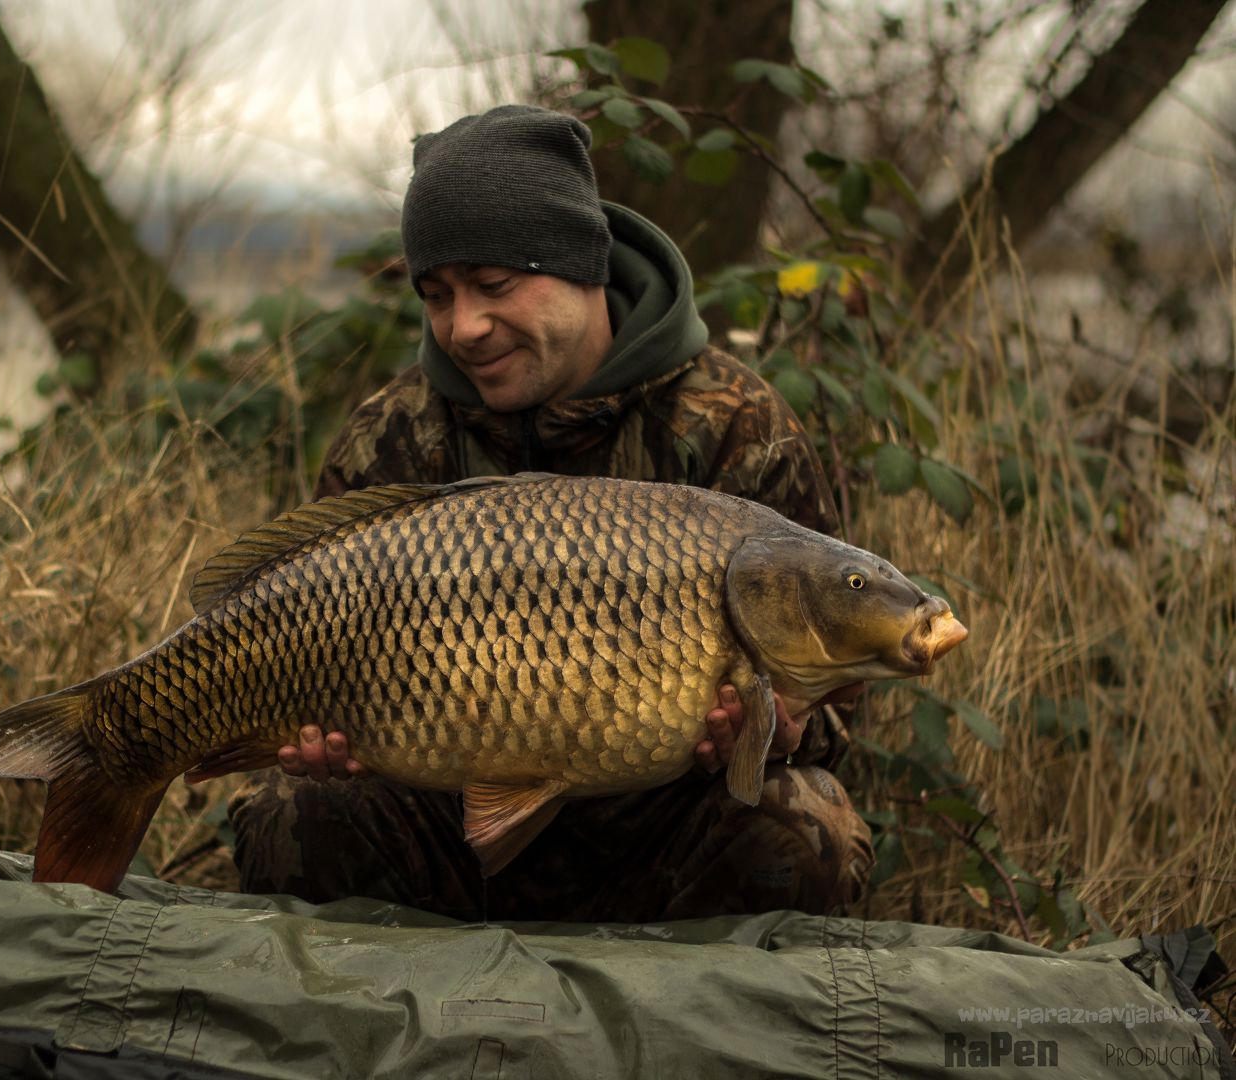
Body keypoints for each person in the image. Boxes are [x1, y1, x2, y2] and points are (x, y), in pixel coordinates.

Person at [226, 105, 873, 923]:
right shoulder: (393, 435)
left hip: (660, 843)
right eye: (437, 294)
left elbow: (846, 699)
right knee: (293, 814)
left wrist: (783, 731)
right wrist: (324, 746)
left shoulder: (734, 426)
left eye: (494, 285)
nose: (464, 327)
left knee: (806, 825)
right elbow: (296, 627)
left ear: (582, 265)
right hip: (449, 837)